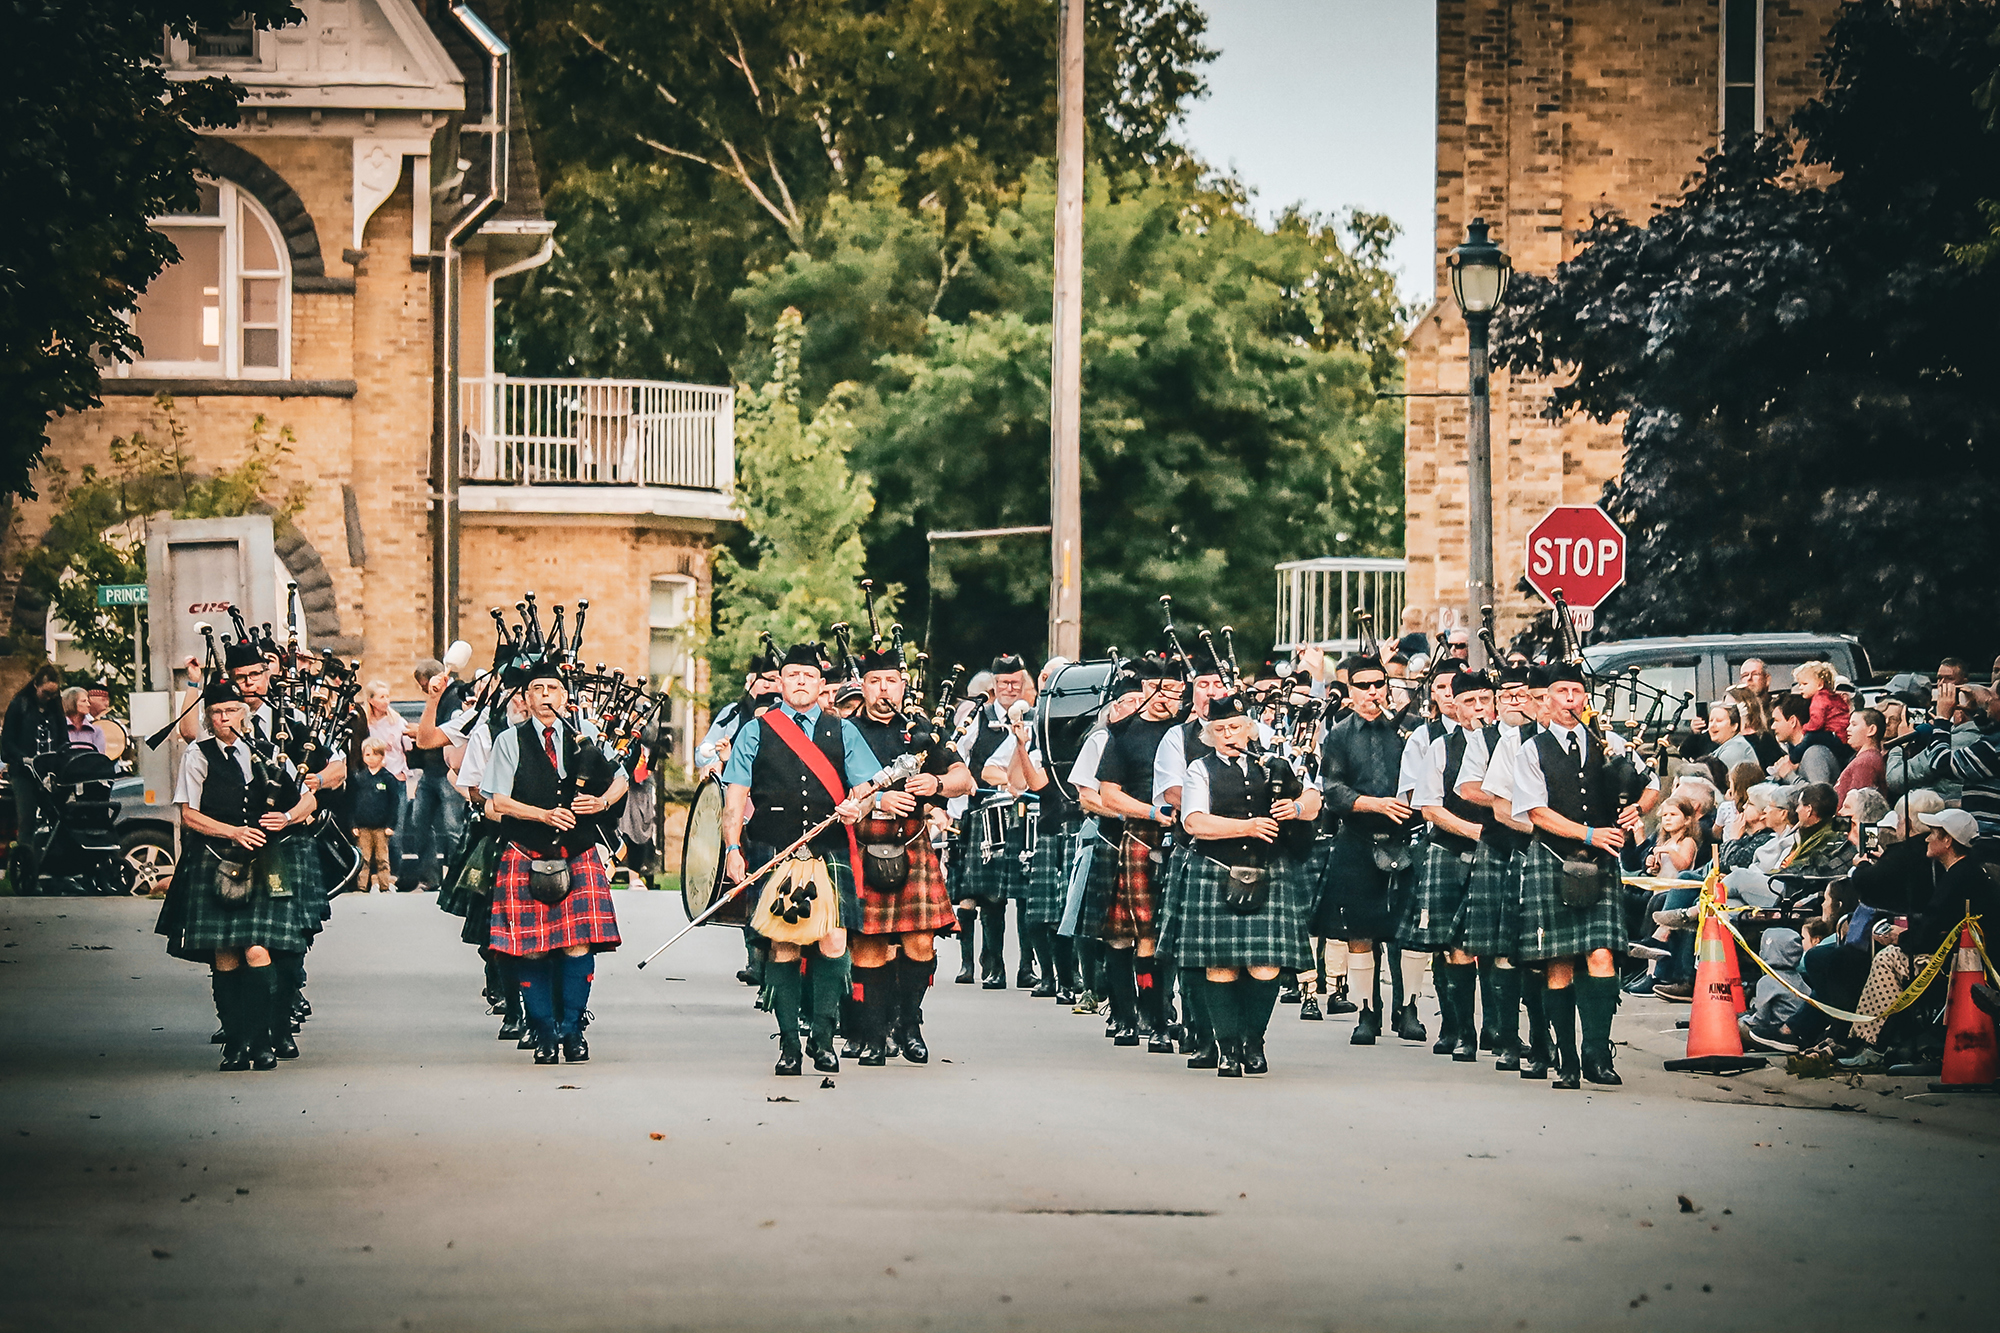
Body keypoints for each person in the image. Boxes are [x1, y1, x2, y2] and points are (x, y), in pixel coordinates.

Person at [720, 644, 890, 1075]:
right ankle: (790, 1045)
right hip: (774, 849)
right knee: (785, 942)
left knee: (833, 940)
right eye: (791, 674)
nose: (799, 681)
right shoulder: (755, 732)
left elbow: (868, 790)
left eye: (808, 676)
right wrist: (732, 849)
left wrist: (860, 808)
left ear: (820, 684)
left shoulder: (842, 731)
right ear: (779, 683)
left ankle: (823, 1037)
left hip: (829, 847)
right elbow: (734, 798)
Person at [156, 677, 321, 1072]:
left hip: (263, 863)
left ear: (243, 714)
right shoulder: (198, 755)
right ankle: (235, 1041)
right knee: (225, 955)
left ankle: (261, 1040)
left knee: (258, 950)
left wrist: (286, 817)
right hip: (215, 859)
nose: (223, 717)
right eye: (216, 712)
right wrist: (232, 831)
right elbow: (188, 815)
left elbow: (307, 799)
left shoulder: (267, 754)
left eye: (230, 710)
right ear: (208, 717)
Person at [1510, 661, 1656, 1089]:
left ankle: (1597, 1053)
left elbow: (1651, 784)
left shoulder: (1608, 742)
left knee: (1602, 955)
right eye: (1562, 692)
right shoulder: (1531, 750)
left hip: (1601, 865)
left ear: (1585, 698)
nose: (1570, 700)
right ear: (1547, 701)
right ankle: (1567, 1059)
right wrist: (1590, 833)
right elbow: (1536, 812)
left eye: (1577, 692)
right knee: (1558, 964)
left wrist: (1639, 809)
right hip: (1554, 858)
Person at [1169, 693, 1322, 1076]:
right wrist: (1246, 827)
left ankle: (1254, 1041)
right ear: (1209, 735)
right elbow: (1194, 822)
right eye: (1219, 729)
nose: (1228, 735)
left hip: (1270, 870)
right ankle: (1227, 1049)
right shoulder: (1199, 770)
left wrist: (1298, 808)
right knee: (1220, 967)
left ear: (1250, 728)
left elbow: (1316, 797)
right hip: (1217, 870)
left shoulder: (1276, 764)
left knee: (1266, 967)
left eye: (1235, 727)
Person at [482, 660, 627, 1065]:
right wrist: (542, 815)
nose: (546, 696)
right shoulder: (509, 742)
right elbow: (498, 800)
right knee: (531, 950)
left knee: (577, 945)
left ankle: (573, 1031)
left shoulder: (584, 739)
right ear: (525, 699)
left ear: (565, 697)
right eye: (537, 690)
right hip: (526, 853)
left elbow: (621, 777)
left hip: (577, 854)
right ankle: (543, 1031)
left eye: (553, 689)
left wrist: (601, 801)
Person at [847, 638, 970, 1065]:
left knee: (920, 945)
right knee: (869, 947)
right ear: (861, 686)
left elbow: (962, 778)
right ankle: (875, 1034)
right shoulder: (844, 729)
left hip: (912, 842)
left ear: (903, 685)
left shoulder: (922, 730)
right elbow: (832, 790)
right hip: (863, 842)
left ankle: (909, 1022)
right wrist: (876, 801)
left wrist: (935, 786)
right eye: (875, 681)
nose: (884, 689)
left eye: (892, 681)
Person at [1314, 654, 1417, 1046]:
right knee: (1360, 932)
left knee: (1405, 931)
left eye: (1379, 684)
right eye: (1364, 686)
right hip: (1357, 839)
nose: (1373, 692)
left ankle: (1407, 1009)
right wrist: (1375, 804)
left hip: (1404, 838)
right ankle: (1366, 1012)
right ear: (1350, 690)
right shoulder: (1339, 734)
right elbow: (1333, 789)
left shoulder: (1409, 729)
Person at [1087, 653, 1185, 1047]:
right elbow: (1108, 794)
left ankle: (1159, 1017)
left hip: (1185, 838)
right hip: (1140, 835)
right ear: (1144, 689)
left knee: (1168, 936)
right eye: (1157, 690)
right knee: (1133, 934)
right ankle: (1133, 1019)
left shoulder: (1187, 733)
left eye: (1174, 691)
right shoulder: (1124, 733)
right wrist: (1151, 811)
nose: (1164, 698)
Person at [1404, 669, 1497, 1062]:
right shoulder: (1441, 747)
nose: (1478, 709)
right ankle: (1462, 1031)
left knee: (1499, 946)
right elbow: (1429, 805)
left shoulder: (1512, 744)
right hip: (1451, 850)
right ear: (1453, 706)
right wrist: (1476, 832)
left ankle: (1498, 1027)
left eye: (1484, 701)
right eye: (1469, 702)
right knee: (1455, 946)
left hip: (1500, 855)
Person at [950, 654, 1035, 989]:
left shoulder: (1034, 716)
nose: (1010, 689)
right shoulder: (977, 717)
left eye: (1016, 683)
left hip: (1025, 812)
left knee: (1026, 894)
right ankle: (992, 965)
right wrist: (954, 807)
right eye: (1004, 683)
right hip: (983, 811)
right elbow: (957, 756)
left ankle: (1027, 966)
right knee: (988, 896)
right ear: (994, 686)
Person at [405, 658, 468, 893]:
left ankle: (456, 877)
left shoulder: (456, 696)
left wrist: (420, 732)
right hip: (429, 771)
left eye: (424, 686)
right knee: (419, 822)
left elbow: (452, 728)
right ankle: (431, 877)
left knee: (454, 827)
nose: (423, 691)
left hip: (447, 771)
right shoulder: (435, 697)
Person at [3, 664, 65, 880]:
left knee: (58, 818)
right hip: (24, 772)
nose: (48, 698)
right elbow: (7, 742)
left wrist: (61, 761)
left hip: (48, 771)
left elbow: (62, 738)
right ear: (36, 685)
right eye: (45, 693)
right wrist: (22, 758)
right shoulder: (20, 705)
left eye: (53, 694)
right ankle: (25, 871)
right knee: (27, 820)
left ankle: (55, 866)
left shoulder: (55, 707)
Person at [696, 642, 782, 777]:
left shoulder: (787, 714)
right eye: (772, 679)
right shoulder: (733, 712)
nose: (775, 686)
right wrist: (718, 761)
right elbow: (701, 754)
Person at [351, 737, 401, 893]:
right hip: (363, 826)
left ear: (382, 756)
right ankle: (361, 886)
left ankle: (384, 884)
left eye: (374, 754)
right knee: (364, 858)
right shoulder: (359, 778)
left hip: (381, 827)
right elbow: (352, 803)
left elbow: (394, 803)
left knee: (382, 858)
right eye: (367, 755)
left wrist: (390, 825)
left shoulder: (388, 779)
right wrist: (353, 824)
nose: (371, 758)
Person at [1770, 695, 1843, 788]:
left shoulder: (1814, 753)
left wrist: (1789, 775)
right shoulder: (1796, 753)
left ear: (1793, 721)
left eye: (1777, 720)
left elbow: (1818, 796)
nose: (1773, 726)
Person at [1836, 708, 1887, 804]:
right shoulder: (1865, 759)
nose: (1848, 729)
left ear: (1871, 730)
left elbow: (1857, 805)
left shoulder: (1866, 762)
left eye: (1854, 724)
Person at [60, 687, 105, 752]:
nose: (88, 705)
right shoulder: (59, 729)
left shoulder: (96, 731)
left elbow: (100, 758)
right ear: (71, 703)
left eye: (88, 701)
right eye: (84, 701)